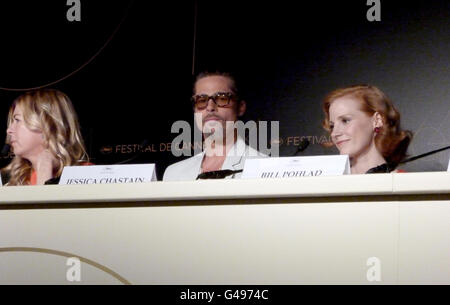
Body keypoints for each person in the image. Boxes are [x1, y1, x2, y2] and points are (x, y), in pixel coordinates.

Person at [163, 71, 266, 181]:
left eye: (222, 98)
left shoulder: (264, 168)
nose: (210, 107)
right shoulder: (174, 173)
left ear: (240, 107)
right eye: (201, 100)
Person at [1, 89, 89, 185]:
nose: (9, 130)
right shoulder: (12, 180)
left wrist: (44, 169)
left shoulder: (86, 175)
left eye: (17, 120)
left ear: (48, 126)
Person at [322, 84, 412, 174]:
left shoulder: (407, 184)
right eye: (332, 126)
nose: (334, 133)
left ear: (377, 120)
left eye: (345, 121)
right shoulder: (324, 184)